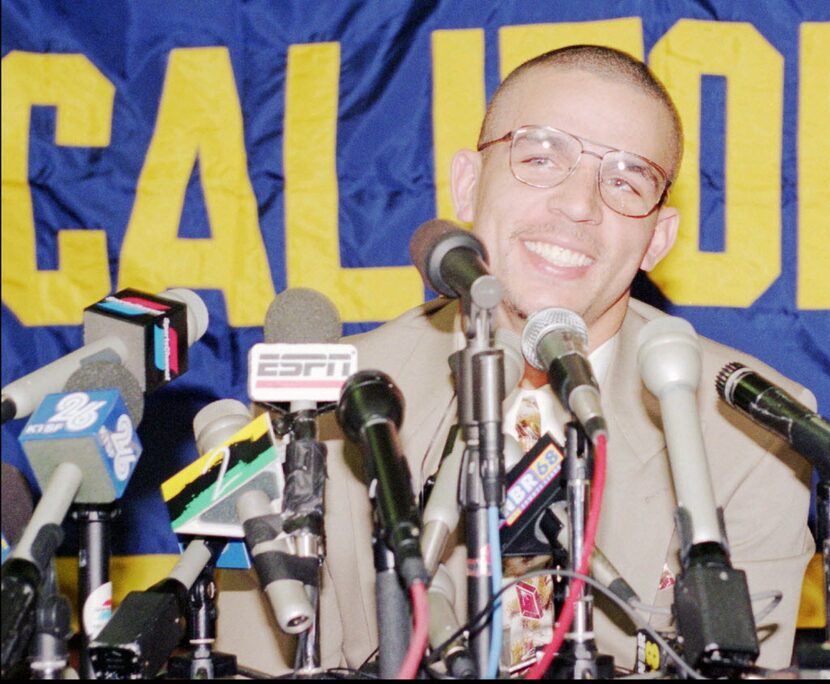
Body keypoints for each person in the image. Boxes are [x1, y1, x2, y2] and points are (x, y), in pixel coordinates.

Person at [215, 44, 815, 675]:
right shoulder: (322, 404)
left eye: (624, 180)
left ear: (656, 240)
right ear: (468, 184)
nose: (580, 205)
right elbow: (267, 664)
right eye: (540, 158)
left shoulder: (752, 429)